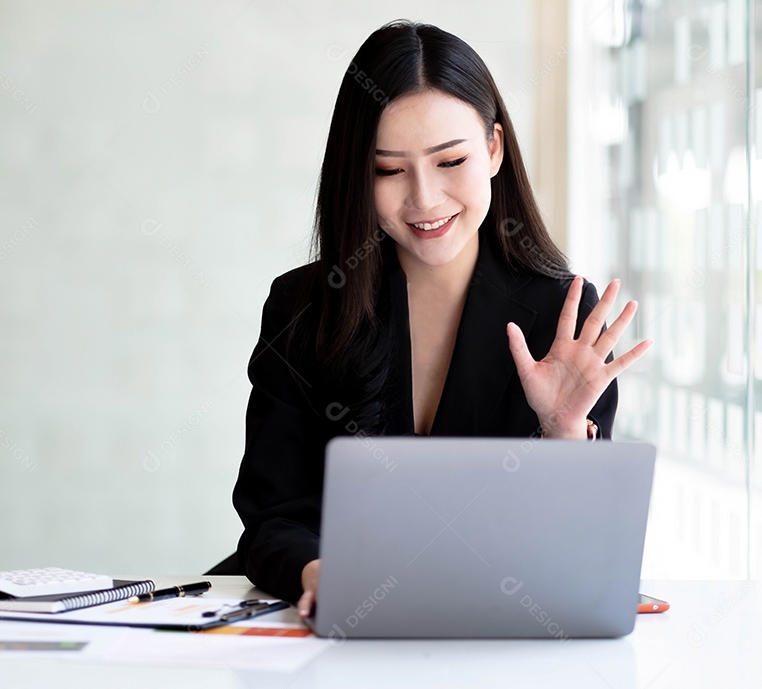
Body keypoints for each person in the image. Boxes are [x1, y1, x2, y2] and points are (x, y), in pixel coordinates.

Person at [229, 20, 651, 619]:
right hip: (330, 627)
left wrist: (562, 434)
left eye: (451, 161)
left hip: (497, 636)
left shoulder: (564, 323)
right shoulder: (304, 308)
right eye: (388, 170)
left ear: (495, 150)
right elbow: (273, 517)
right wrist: (323, 572)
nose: (424, 200)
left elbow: (580, 555)